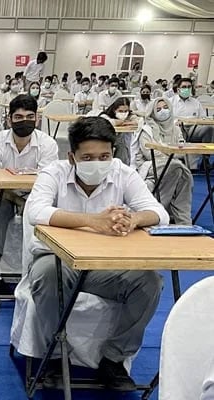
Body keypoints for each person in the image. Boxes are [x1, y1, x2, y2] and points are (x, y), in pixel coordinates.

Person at [23, 116, 167, 391]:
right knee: (48, 277)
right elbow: (36, 211)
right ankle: (54, 355)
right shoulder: (54, 173)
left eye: (104, 156)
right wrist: (92, 221)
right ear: (72, 157)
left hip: (103, 266)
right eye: (87, 157)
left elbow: (160, 214)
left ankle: (113, 359)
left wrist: (134, 219)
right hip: (58, 260)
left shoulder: (123, 173)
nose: (97, 164)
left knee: (149, 282)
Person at [0, 94, 58, 296]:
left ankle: (39, 271)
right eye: (18, 117)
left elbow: (48, 183)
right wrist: (17, 200)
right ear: (9, 119)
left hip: (36, 196)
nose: (24, 121)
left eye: (29, 116)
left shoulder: (48, 144)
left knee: (49, 213)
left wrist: (29, 201)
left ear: (37, 119)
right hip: (2, 195)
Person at [134, 96, 193, 224]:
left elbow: (181, 151)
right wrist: (170, 153)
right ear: (153, 112)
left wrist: (167, 152)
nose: (163, 111)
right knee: (178, 168)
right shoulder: (146, 130)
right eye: (159, 109)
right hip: (148, 166)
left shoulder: (176, 129)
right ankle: (176, 218)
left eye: (166, 108)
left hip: (173, 165)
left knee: (181, 172)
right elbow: (151, 155)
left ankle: (183, 221)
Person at [99, 97, 139, 166]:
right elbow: (108, 122)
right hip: (106, 143)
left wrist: (132, 121)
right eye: (120, 111)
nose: (123, 113)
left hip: (123, 146)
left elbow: (138, 120)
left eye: (126, 111)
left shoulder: (129, 116)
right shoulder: (105, 115)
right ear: (114, 110)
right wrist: (122, 122)